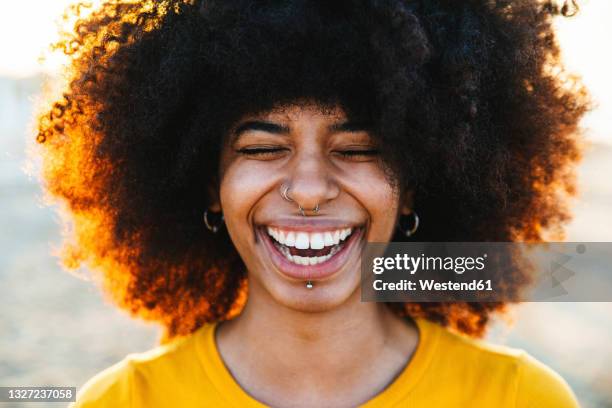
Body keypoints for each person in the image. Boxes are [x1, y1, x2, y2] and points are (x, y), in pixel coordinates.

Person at [35, 0, 589, 406]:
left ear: (418, 182)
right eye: (262, 147)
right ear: (210, 186)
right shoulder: (125, 400)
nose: (307, 188)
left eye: (357, 149)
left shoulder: (519, 397)